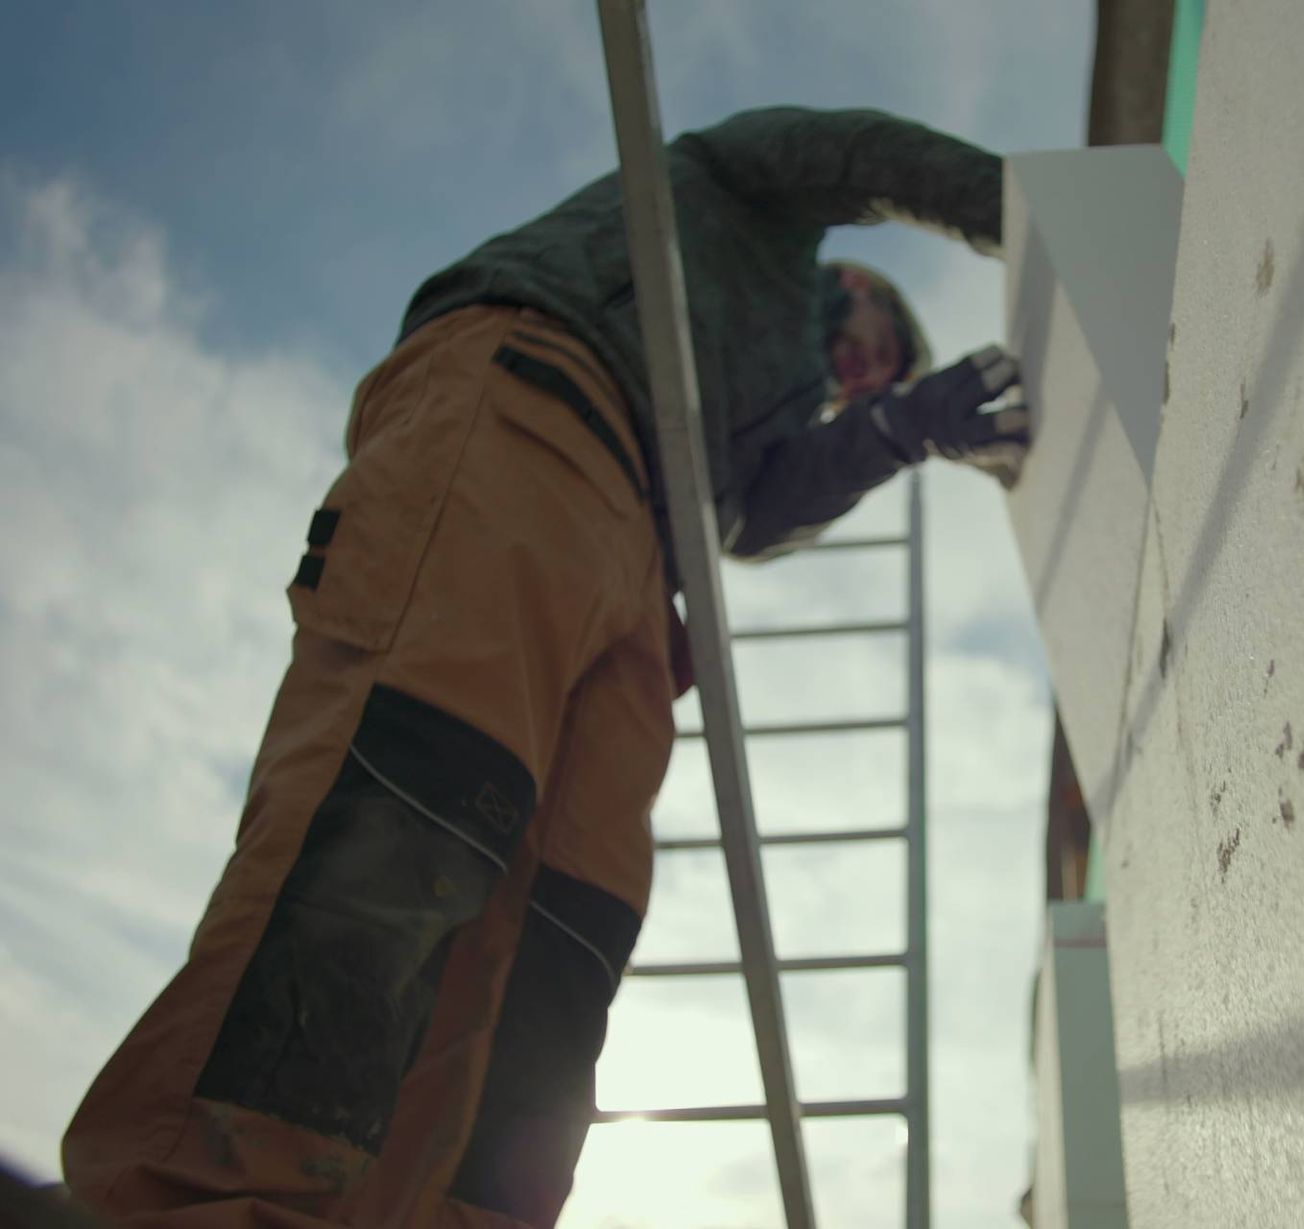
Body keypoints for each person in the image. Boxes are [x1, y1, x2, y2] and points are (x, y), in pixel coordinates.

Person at [62, 105, 1026, 1229]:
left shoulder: (760, 422)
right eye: (878, 338)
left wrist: (900, 430)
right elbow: (855, 155)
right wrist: (1022, 212)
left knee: (563, 933)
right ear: (851, 277)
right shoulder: (739, 197)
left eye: (878, 378)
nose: (865, 369)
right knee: (407, 803)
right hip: (537, 395)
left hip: (643, 563)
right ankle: (218, 1196)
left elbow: (756, 519)